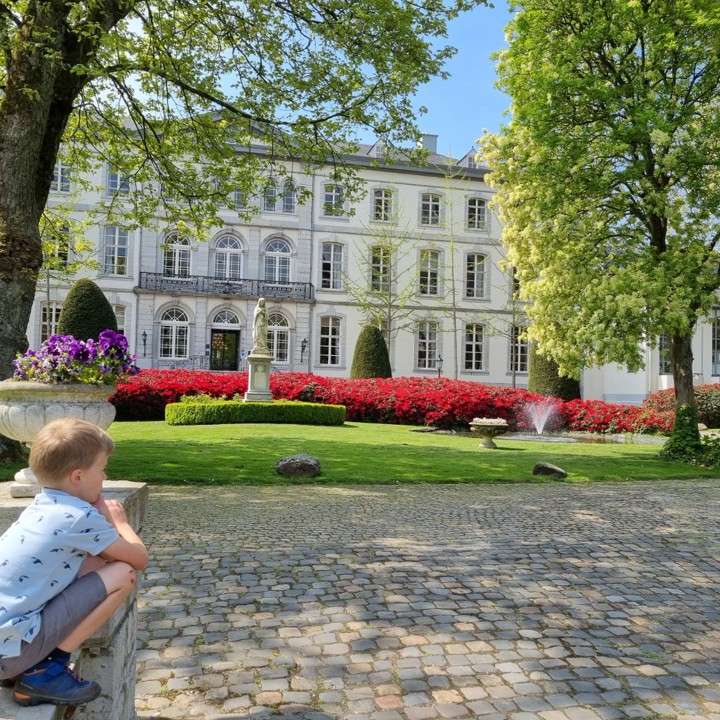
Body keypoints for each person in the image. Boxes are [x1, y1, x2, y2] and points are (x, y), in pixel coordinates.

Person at [0, 417, 148, 707]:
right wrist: (119, 522)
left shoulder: (43, 504)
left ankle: (30, 666)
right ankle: (46, 671)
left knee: (96, 563)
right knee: (123, 574)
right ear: (77, 476)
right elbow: (139, 559)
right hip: (10, 653)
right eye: (102, 470)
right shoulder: (79, 517)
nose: (104, 478)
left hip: (6, 645)